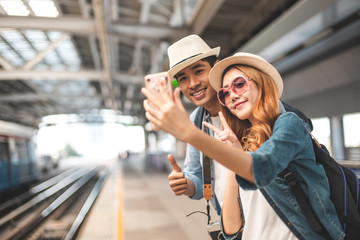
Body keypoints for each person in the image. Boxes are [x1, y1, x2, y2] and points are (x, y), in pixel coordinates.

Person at [141, 52, 345, 239]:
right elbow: (230, 230)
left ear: (261, 84)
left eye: (239, 84)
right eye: (225, 93)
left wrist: (191, 135)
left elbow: (262, 167)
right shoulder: (239, 143)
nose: (233, 96)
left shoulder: (289, 123)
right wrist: (232, 158)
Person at [165, 34, 229, 218]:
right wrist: (185, 184)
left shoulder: (244, 104)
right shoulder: (197, 119)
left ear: (216, 67)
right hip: (232, 227)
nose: (192, 84)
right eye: (183, 78)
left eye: (199, 71)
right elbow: (197, 179)